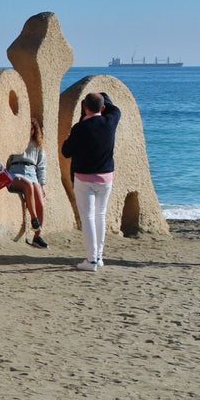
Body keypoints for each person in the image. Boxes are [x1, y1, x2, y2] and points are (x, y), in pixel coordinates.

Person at [61, 91, 121, 272]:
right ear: (103, 108)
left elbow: (66, 152)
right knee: (100, 215)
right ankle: (99, 257)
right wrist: (103, 99)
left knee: (87, 217)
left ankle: (91, 259)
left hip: (84, 178)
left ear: (84, 107)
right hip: (105, 178)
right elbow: (116, 109)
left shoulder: (79, 128)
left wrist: (68, 140)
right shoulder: (110, 122)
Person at [5, 117, 49, 248]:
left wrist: (42, 184)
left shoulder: (37, 145)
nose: (29, 131)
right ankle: (34, 219)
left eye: (31, 128)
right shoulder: (15, 141)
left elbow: (41, 167)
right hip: (15, 170)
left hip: (32, 172)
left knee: (39, 199)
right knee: (27, 185)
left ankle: (37, 236)